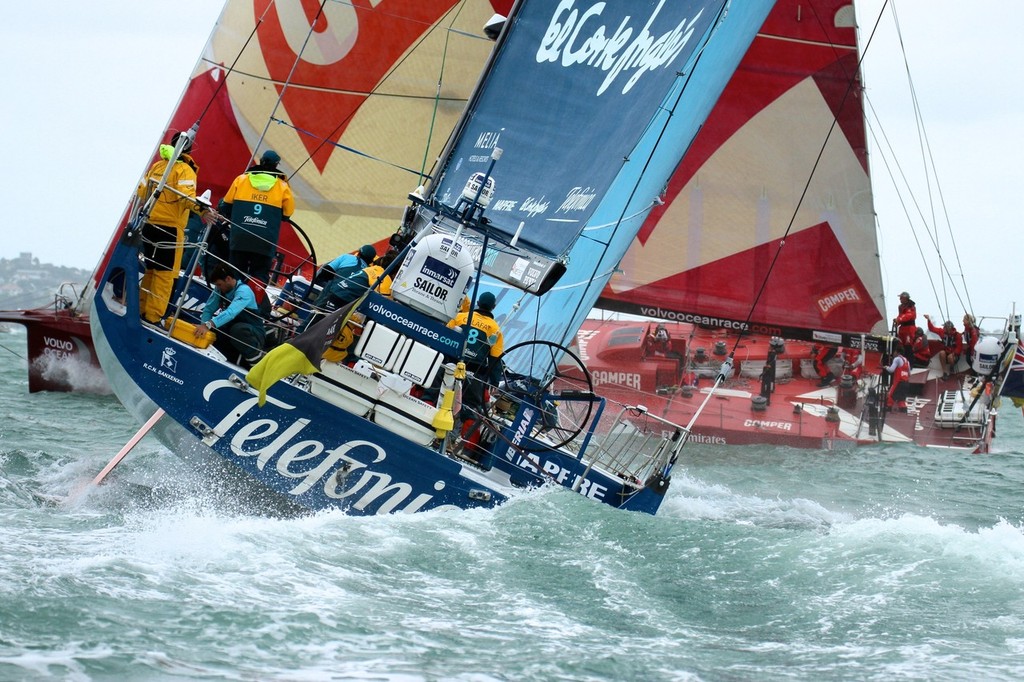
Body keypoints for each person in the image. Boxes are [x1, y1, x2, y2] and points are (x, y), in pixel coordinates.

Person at [137, 131, 214, 323]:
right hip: (170, 229)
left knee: (151, 270)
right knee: (164, 276)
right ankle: (153, 317)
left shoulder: (158, 165)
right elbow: (185, 196)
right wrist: (202, 211)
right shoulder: (184, 169)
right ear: (188, 148)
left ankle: (140, 309)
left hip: (149, 225)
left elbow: (142, 191)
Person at [220, 149, 295, 285]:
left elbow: (225, 205)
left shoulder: (241, 179)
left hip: (239, 238)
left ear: (260, 161)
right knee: (259, 276)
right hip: (265, 241)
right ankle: (252, 304)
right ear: (276, 165)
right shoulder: (282, 186)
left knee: (234, 274)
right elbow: (287, 214)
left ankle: (230, 303)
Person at [447, 291, 504, 464]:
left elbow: (445, 335)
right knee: (470, 410)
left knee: (438, 397)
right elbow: (495, 359)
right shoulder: (495, 330)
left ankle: (435, 436)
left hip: (451, 365)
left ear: (478, 303)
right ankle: (466, 452)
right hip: (474, 375)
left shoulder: (461, 317)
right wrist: (494, 382)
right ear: (494, 307)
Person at [194, 264, 267, 368]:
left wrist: (208, 325)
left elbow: (231, 313)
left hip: (253, 332)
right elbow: (208, 310)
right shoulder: (219, 290)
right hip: (232, 329)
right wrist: (203, 329)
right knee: (217, 330)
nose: (218, 288)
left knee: (237, 330)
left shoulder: (244, 291)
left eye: (219, 284)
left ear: (228, 279)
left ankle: (258, 364)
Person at [892, 291, 917, 355]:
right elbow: (900, 315)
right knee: (900, 344)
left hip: (909, 328)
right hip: (902, 328)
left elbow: (908, 315)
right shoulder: (900, 307)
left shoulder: (911, 306)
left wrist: (899, 319)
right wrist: (897, 322)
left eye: (901, 298)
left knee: (908, 344)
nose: (900, 299)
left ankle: (909, 361)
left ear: (905, 298)